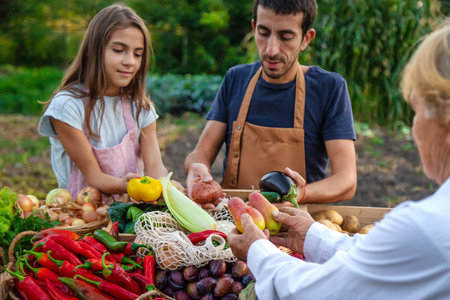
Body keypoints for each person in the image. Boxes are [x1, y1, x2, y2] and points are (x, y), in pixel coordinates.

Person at [228, 20, 450, 299]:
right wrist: (314, 237)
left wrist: (258, 251)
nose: (415, 127)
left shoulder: (425, 227)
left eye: (416, 112)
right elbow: (376, 267)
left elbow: (318, 292)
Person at [184, 0, 357, 206]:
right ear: (253, 28)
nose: (271, 49)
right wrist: (198, 169)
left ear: (306, 39)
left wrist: (300, 194)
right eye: (264, 33)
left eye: (286, 37)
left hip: (298, 226)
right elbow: (200, 154)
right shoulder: (235, 79)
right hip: (233, 221)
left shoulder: (329, 88)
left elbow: (346, 179)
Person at [38, 3, 177, 200]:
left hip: (129, 215)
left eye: (138, 54)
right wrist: (127, 185)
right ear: (94, 51)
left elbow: (155, 166)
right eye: (119, 50)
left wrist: (168, 187)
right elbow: (94, 177)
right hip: (81, 216)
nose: (130, 61)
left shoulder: (141, 108)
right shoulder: (67, 107)